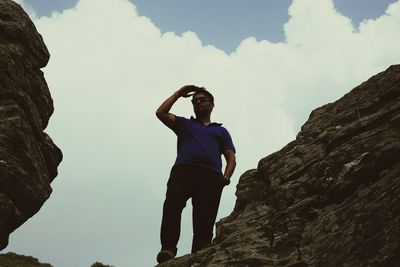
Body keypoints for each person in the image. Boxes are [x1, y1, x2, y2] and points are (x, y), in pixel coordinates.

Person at [155, 85, 236, 263]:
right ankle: (168, 249)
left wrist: (225, 177)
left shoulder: (220, 131)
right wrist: (178, 93)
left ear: (212, 104)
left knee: (204, 220)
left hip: (211, 176)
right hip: (184, 171)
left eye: (202, 100)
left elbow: (231, 157)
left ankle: (199, 257)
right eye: (195, 101)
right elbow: (160, 113)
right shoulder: (185, 124)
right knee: (172, 206)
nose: (198, 102)